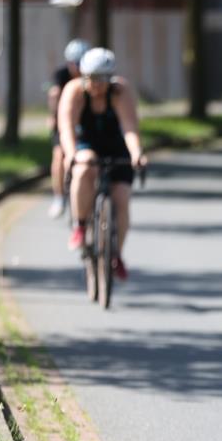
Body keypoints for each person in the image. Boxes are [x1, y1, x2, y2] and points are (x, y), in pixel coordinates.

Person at [57, 48, 147, 281]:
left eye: (103, 80)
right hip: (86, 142)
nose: (97, 86)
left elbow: (129, 127)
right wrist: (69, 155)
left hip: (115, 145)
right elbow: (66, 129)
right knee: (85, 166)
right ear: (83, 76)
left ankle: (116, 254)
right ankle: (80, 225)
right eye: (92, 79)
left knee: (122, 198)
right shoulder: (74, 91)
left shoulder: (120, 91)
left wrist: (136, 153)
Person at [47, 39, 91, 219]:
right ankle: (59, 197)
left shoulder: (92, 75)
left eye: (81, 63)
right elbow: (54, 93)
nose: (78, 67)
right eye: (74, 63)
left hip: (86, 121)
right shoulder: (61, 74)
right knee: (59, 155)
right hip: (64, 120)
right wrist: (53, 116)